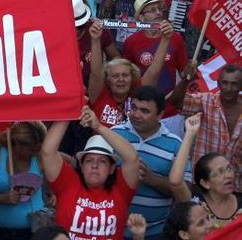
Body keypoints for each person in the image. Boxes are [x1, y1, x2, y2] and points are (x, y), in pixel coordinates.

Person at [40, 106, 140, 239]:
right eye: (89, 160)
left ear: (111, 168)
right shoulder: (68, 183)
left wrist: (98, 126)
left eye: (103, 161)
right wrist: (69, 109)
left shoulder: (121, 189)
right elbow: (47, 152)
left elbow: (132, 158)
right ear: (81, 166)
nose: (95, 165)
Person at [112, 86, 187, 237]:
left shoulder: (175, 144)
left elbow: (185, 193)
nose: (136, 115)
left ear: (160, 114)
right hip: (114, 229)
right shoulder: (114, 135)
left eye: (144, 111)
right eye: (133, 108)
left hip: (157, 232)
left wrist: (152, 179)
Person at [169, 63, 242, 193]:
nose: (228, 88)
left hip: (235, 185)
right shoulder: (206, 101)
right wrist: (186, 80)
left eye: (234, 84)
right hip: (204, 182)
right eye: (224, 83)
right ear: (218, 83)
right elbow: (176, 101)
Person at [168, 115, 240, 230]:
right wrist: (190, 134)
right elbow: (175, 182)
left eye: (229, 169)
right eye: (219, 172)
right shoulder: (196, 204)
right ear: (205, 183)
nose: (228, 175)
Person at [121, 0, 188, 95]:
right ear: (141, 18)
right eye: (152, 10)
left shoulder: (175, 38)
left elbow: (184, 71)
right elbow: (128, 77)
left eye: (159, 9)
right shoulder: (131, 42)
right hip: (143, 102)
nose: (158, 13)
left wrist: (190, 71)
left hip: (170, 104)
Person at [0, 122, 47, 240]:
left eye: (36, 149)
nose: (34, 153)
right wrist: (2, 198)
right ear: (17, 144)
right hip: (2, 231)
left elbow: (64, 166)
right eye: (30, 149)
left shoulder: (39, 157)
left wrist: (55, 192)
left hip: (35, 231)